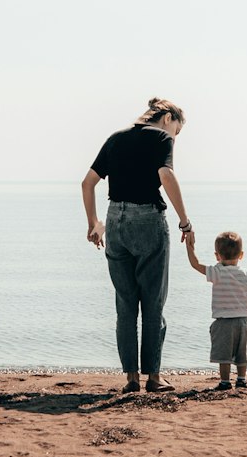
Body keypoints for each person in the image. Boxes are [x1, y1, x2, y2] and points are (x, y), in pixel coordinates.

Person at [81, 98, 194, 394]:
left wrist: (93, 223)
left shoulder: (115, 138)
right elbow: (166, 175)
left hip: (114, 220)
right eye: (177, 131)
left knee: (126, 303)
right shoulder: (160, 138)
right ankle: (154, 378)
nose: (175, 137)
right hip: (147, 220)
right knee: (153, 301)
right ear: (168, 118)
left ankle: (131, 378)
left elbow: (87, 183)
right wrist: (185, 221)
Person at [184, 229, 247, 390]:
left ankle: (225, 382)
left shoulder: (217, 272)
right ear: (241, 255)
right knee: (242, 352)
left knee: (224, 354)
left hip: (223, 321)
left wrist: (189, 246)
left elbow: (195, 264)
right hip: (243, 321)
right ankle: (241, 379)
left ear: (217, 255)